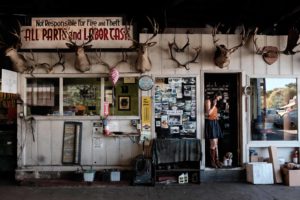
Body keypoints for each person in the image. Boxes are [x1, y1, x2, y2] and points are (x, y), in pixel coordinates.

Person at [204, 91, 224, 168]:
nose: (219, 99)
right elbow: (208, 113)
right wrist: (213, 106)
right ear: (216, 95)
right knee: (213, 144)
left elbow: (213, 113)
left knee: (216, 144)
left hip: (215, 122)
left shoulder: (215, 102)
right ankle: (212, 162)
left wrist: (216, 115)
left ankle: (217, 160)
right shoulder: (208, 101)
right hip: (211, 123)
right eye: (219, 98)